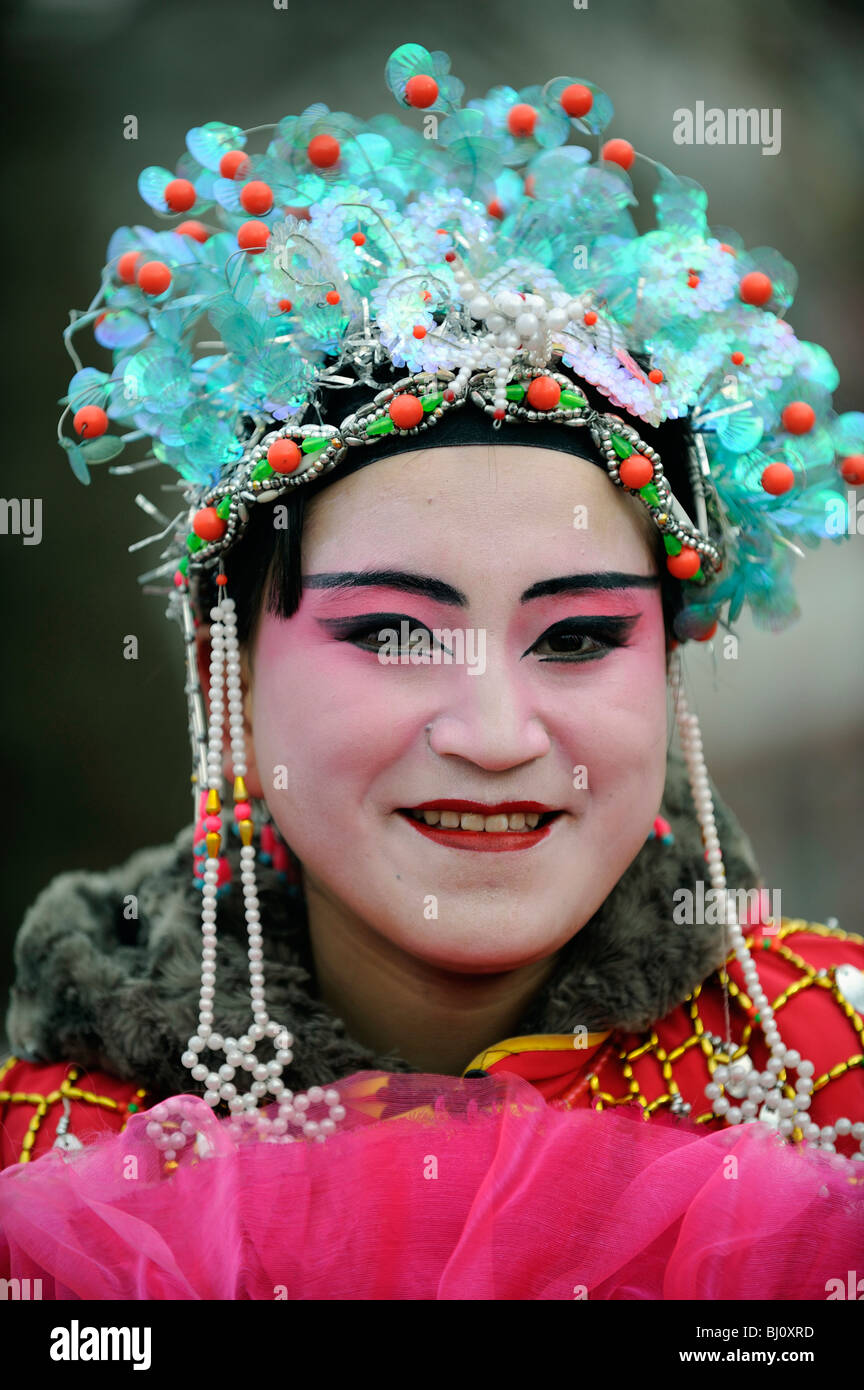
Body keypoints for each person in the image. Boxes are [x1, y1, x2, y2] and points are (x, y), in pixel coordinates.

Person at [1, 42, 862, 1300]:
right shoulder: (58, 1152)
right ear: (222, 669)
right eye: (395, 633)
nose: (498, 731)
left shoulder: (829, 1066)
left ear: (669, 666)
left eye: (576, 639)